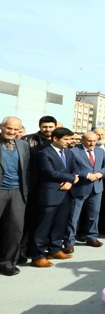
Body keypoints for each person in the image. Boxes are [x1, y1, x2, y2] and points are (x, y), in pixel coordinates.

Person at [30, 127, 79, 268]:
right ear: (55, 139)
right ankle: (38, 256)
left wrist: (70, 181)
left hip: (66, 193)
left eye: (70, 139)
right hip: (50, 194)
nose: (69, 142)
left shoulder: (68, 153)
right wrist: (71, 178)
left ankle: (55, 249)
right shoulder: (44, 154)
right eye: (66, 139)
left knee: (60, 223)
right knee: (43, 226)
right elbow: (49, 172)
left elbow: (75, 169)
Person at [64, 132, 105, 254]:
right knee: (74, 216)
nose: (92, 143)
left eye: (94, 141)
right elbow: (72, 168)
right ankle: (69, 242)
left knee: (94, 214)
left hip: (97, 188)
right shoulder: (73, 151)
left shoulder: (100, 151)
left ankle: (92, 237)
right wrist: (88, 175)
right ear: (83, 140)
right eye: (89, 141)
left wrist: (101, 173)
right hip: (80, 187)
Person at [20, 115, 57, 263]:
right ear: (40, 126)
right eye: (44, 126)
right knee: (28, 221)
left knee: (44, 222)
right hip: (33, 187)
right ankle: (21, 252)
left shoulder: (58, 141)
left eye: (50, 127)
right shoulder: (27, 140)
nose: (47, 129)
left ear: (55, 127)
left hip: (51, 188)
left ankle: (38, 249)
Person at [0, 117, 30, 276]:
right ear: (1, 127)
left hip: (17, 192)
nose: (11, 132)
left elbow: (27, 170)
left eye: (15, 130)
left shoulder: (23, 145)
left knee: (15, 229)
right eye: (8, 128)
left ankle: (7, 263)